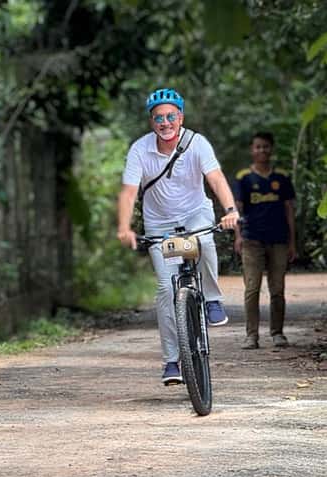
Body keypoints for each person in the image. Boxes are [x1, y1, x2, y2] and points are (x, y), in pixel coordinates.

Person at [117, 88, 239, 386]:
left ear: (181, 117)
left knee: (206, 241)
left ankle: (212, 299)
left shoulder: (197, 144)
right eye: (159, 118)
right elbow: (129, 191)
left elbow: (216, 179)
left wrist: (231, 210)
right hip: (159, 224)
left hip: (195, 215)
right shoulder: (140, 150)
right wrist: (124, 227)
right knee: (165, 290)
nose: (165, 122)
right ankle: (172, 361)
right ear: (151, 122)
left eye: (171, 116)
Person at [232, 132, 296, 349]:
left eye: (266, 147)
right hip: (252, 239)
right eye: (258, 147)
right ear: (252, 150)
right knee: (252, 288)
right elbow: (237, 210)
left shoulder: (282, 177)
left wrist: (292, 242)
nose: (262, 151)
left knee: (277, 289)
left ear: (271, 149)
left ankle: (277, 333)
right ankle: (252, 335)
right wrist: (238, 236)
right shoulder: (244, 178)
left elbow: (289, 210)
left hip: (278, 239)